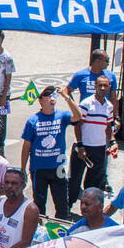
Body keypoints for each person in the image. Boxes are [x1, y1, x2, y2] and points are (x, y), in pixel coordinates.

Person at [19, 86, 81, 220]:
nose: (51, 98)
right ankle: (40, 230)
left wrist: (66, 97)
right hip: (39, 168)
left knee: (62, 204)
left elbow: (78, 115)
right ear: (40, 100)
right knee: (39, 204)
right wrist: (22, 168)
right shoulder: (32, 120)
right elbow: (26, 146)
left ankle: (61, 229)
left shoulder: (62, 116)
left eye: (53, 95)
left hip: (58, 167)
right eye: (47, 95)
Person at [68, 74, 117, 208]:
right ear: (95, 86)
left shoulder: (109, 107)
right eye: (99, 85)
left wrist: (113, 142)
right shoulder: (86, 104)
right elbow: (78, 125)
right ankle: (66, 208)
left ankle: (89, 210)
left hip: (99, 149)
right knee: (74, 180)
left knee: (94, 182)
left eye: (105, 85)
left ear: (109, 88)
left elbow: (108, 127)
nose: (102, 88)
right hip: (84, 147)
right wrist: (80, 145)